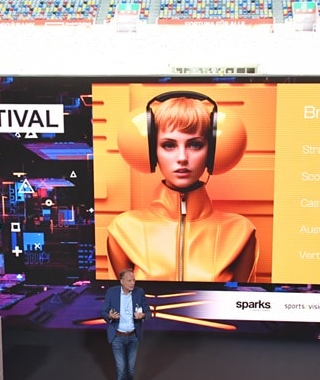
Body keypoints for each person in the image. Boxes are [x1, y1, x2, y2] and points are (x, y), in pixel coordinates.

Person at [107, 91, 258, 282]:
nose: (182, 158)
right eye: (169, 145)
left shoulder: (241, 232)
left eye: (195, 145)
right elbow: (120, 298)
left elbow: (242, 299)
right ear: (151, 152)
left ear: (212, 151)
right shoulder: (123, 229)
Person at [101, 268, 151, 380]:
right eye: (129, 280)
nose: (132, 283)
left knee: (130, 371)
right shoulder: (111, 292)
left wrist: (142, 315)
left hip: (133, 336)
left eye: (133, 280)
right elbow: (104, 312)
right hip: (117, 336)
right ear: (121, 281)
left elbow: (148, 312)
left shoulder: (139, 292)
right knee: (121, 370)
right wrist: (110, 316)